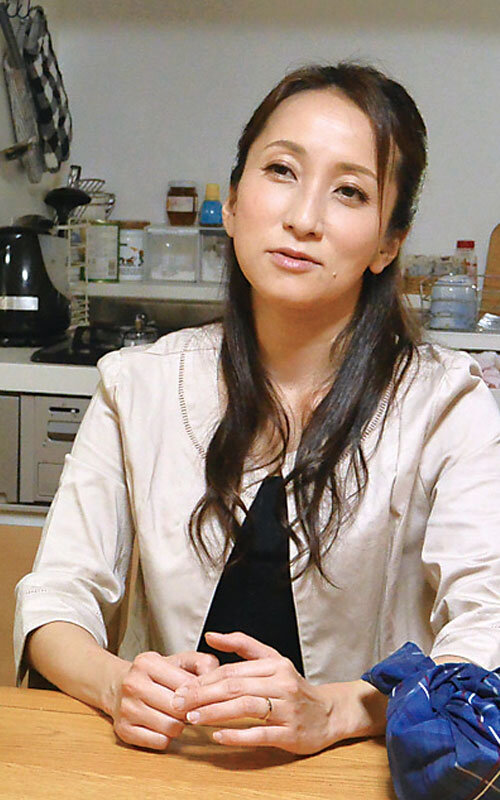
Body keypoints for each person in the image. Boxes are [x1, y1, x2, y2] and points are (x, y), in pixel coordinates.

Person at [15, 62, 500, 757]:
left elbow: (486, 626)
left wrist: (340, 710)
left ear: (388, 242)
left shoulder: (447, 403)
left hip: (351, 775)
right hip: (165, 766)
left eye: (349, 191)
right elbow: (56, 601)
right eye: (281, 171)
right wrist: (117, 684)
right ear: (237, 200)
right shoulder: (137, 385)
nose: (303, 218)